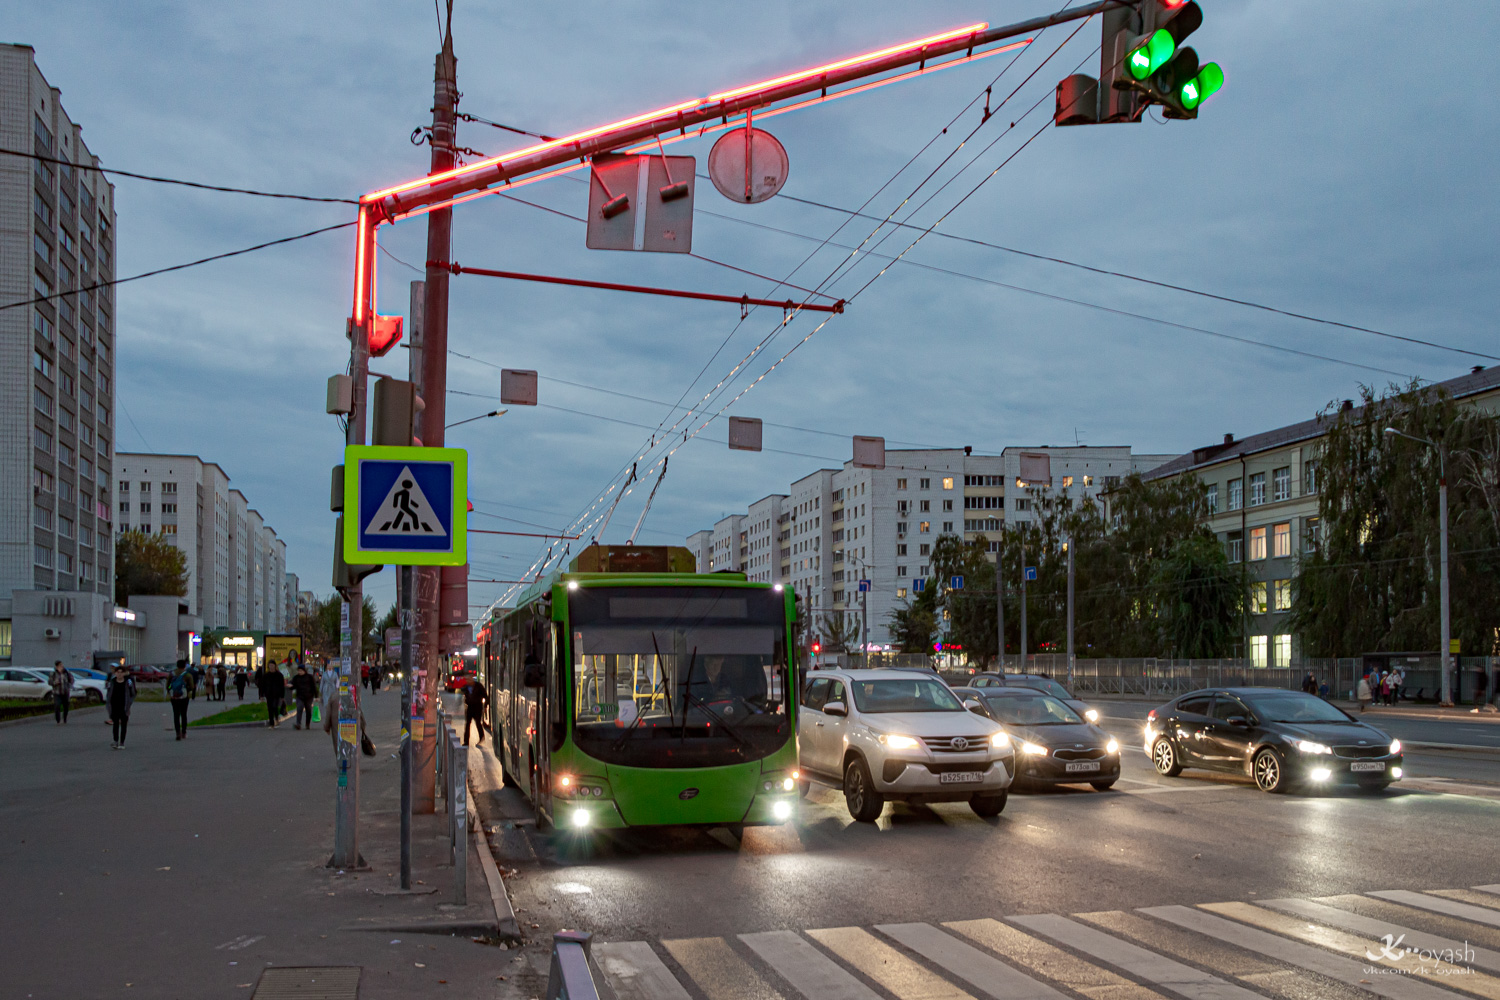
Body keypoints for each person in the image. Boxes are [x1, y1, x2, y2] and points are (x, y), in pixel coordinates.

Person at [106, 664, 136, 749]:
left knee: (123, 725)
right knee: (115, 724)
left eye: (121, 672)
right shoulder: (112, 682)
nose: (119, 674)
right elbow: (108, 693)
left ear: (124, 673)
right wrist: (108, 704)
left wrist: (129, 703)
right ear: (115, 673)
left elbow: (133, 693)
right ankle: (115, 741)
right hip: (114, 706)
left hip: (124, 707)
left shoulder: (128, 682)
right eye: (117, 672)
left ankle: (122, 742)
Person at [463, 673, 489, 746]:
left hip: (477, 707)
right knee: (468, 724)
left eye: (469, 679)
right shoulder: (466, 688)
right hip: (470, 708)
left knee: (478, 723)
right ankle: (466, 742)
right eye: (467, 680)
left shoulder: (478, 686)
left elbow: (485, 695)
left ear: (472, 679)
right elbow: (465, 697)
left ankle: (481, 737)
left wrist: (485, 705)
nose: (468, 681)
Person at [168, 661, 192, 740]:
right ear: (185, 666)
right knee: (184, 714)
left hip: (174, 697)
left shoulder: (172, 674)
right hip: (184, 697)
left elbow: (168, 686)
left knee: (176, 715)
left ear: (177, 665)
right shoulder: (187, 675)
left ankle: (177, 733)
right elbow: (191, 686)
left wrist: (170, 691)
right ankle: (184, 732)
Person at [291, 664, 318, 730]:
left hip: (309, 696)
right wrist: (290, 686)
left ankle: (307, 724)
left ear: (304, 671)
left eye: (301, 670)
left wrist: (316, 696)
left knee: (308, 710)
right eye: (299, 670)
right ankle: (298, 724)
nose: (299, 672)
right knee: (299, 708)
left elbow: (314, 686)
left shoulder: (309, 677)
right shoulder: (296, 677)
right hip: (299, 696)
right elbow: (293, 685)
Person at [263, 662, 286, 727]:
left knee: (275, 706)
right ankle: (272, 723)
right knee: (270, 708)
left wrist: (282, 696)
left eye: (272, 665)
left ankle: (276, 718)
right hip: (268, 694)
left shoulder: (279, 675)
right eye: (270, 665)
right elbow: (263, 685)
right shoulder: (266, 675)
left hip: (276, 694)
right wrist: (261, 695)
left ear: (275, 666)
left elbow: (282, 686)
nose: (271, 667)